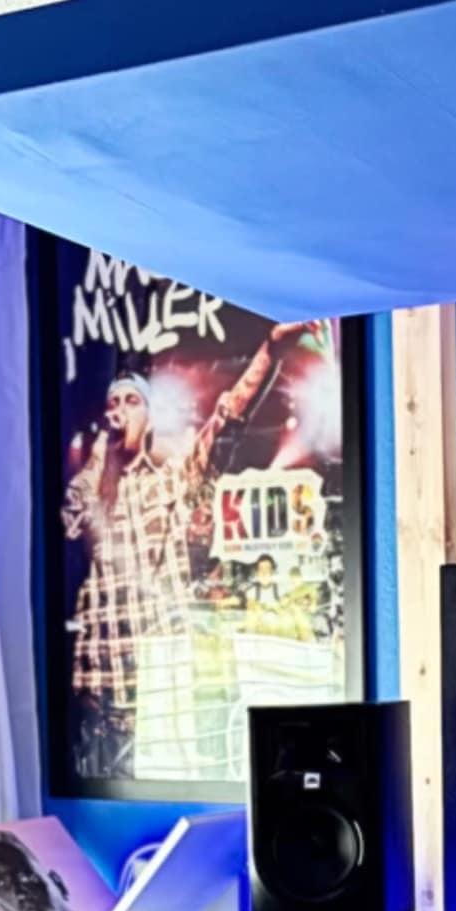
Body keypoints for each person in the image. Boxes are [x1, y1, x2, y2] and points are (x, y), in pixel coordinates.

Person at [59, 324, 309, 781]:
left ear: (151, 418)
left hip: (162, 690)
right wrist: (101, 457)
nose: (118, 411)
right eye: (113, 403)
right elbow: (71, 521)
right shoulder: (91, 489)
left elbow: (227, 419)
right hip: (101, 692)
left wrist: (270, 352)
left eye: (131, 402)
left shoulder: (172, 480)